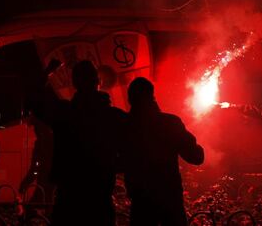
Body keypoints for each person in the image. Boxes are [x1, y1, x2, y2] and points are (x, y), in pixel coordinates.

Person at [50, 60, 126, 226]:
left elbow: (35, 98)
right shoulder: (114, 117)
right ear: (98, 82)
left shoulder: (64, 113)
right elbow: (134, 150)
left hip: (68, 202)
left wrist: (48, 72)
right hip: (100, 202)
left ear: (75, 83)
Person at [122, 77, 204, 226]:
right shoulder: (169, 122)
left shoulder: (124, 126)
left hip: (141, 200)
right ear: (152, 95)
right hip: (169, 198)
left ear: (130, 99)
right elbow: (196, 157)